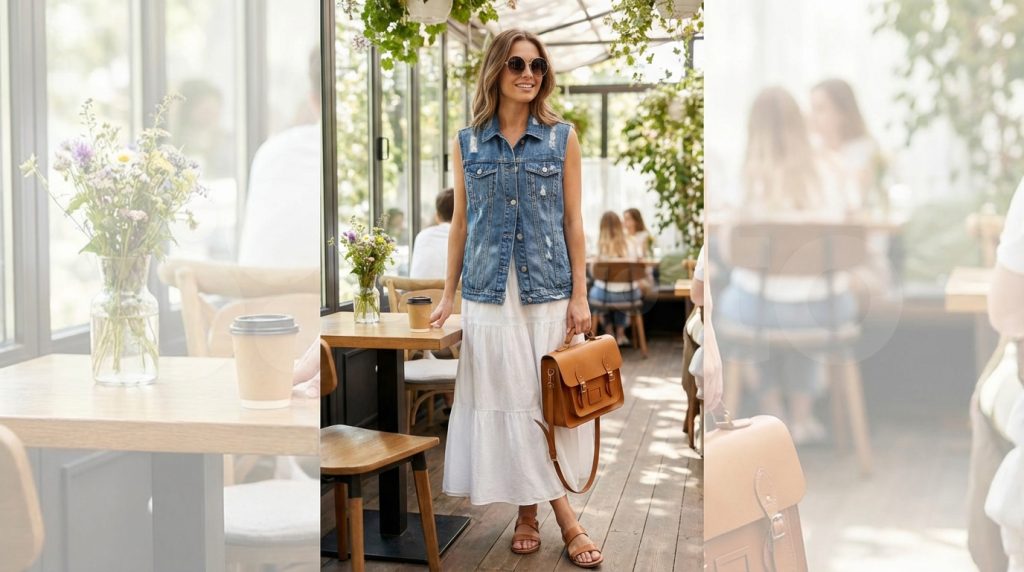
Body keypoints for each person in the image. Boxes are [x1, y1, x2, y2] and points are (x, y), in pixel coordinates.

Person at [428, 29, 603, 568]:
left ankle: (539, 516)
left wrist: (581, 294)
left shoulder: (561, 138)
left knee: (540, 402)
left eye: (538, 66)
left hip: (547, 290)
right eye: (517, 64)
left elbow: (573, 222)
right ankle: (556, 518)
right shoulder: (467, 142)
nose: (529, 74)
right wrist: (446, 293)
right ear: (497, 71)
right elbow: (460, 224)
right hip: (487, 294)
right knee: (513, 400)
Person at [717, 86, 857, 445]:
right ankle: (803, 416)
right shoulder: (832, 169)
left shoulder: (744, 179)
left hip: (759, 310)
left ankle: (772, 414)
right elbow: (852, 235)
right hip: (826, 308)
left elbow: (732, 253)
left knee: (743, 312)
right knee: (806, 313)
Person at [236, 48, 321, 269]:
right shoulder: (360, 159)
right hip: (327, 300)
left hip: (252, 297)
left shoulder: (271, 150)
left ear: (312, 101)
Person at [589, 211, 643, 346]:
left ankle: (609, 333)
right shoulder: (632, 242)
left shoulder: (598, 245)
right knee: (623, 293)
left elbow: (593, 273)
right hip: (630, 294)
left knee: (597, 292)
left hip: (604, 295)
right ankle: (620, 334)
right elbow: (639, 264)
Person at [409, 188, 454, 279]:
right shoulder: (468, 238)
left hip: (415, 293)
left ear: (437, 216)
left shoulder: (422, 236)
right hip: (452, 292)